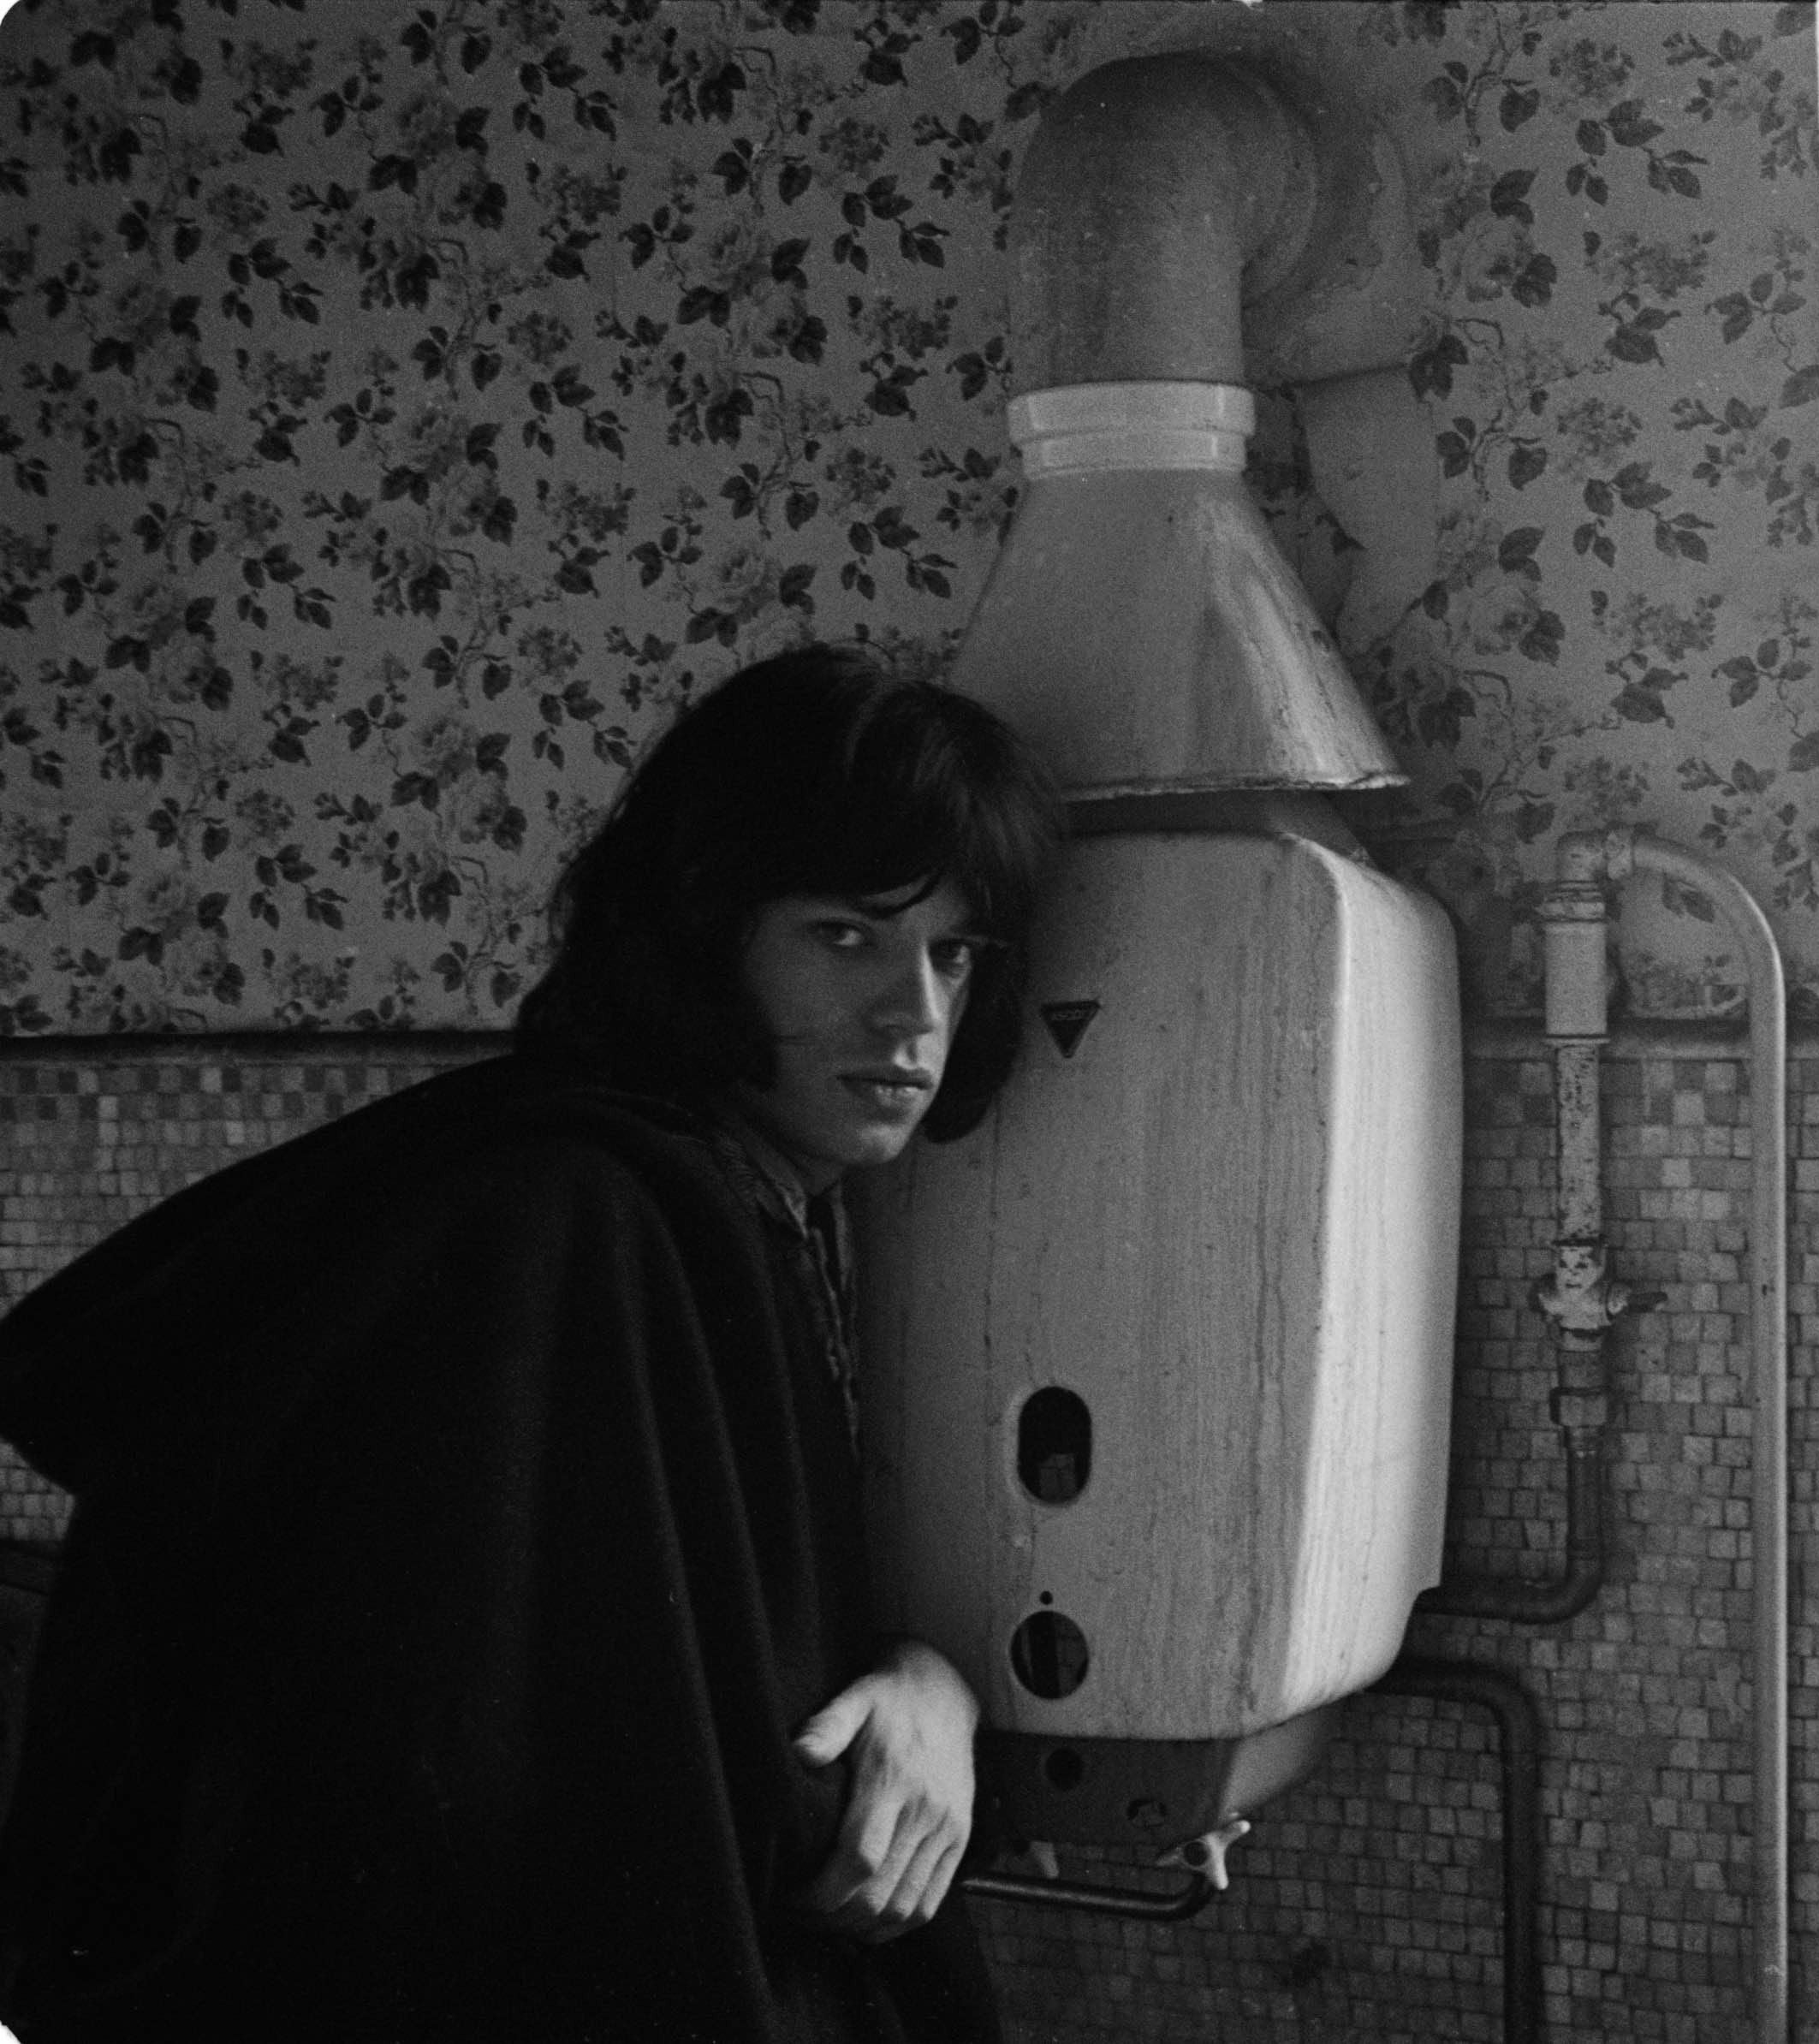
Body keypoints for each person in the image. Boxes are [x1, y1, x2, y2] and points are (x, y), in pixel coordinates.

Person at [0, 644, 1062, 2041]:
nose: (914, 1016)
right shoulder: (576, 1223)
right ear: (705, 930)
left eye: (953, 953)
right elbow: (615, 1801)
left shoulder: (716, 1194)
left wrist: (929, 1682)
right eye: (845, 936)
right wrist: (926, 1732)